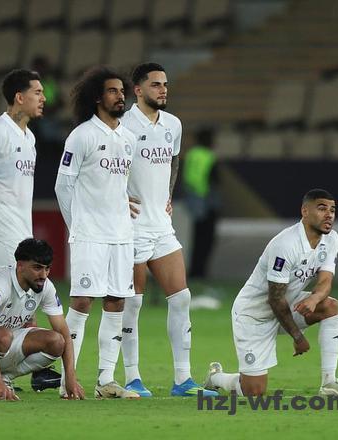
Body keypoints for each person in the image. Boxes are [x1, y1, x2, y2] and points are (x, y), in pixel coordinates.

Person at [121, 63, 217, 398]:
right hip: (131, 227)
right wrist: (117, 198)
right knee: (132, 303)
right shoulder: (123, 125)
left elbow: (174, 161)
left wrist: (168, 195)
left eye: (165, 84)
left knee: (181, 298)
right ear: (138, 90)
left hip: (161, 226)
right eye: (156, 85)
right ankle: (132, 377)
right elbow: (108, 168)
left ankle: (183, 380)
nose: (163, 90)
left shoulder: (173, 125)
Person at [204, 189, 338, 398]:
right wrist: (297, 336)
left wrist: (314, 298)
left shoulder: (331, 240)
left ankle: (329, 382)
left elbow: (325, 281)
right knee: (254, 392)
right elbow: (275, 299)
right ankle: (215, 377)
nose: (329, 214)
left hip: (288, 307)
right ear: (305, 211)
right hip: (254, 316)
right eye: (322, 208)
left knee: (330, 306)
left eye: (332, 210)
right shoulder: (285, 245)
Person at [0, 68, 60, 390]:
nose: (43, 98)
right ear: (19, 97)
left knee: (24, 301)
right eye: (37, 92)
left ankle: (18, 369)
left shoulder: (29, 137)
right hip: (1, 230)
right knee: (9, 304)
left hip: (21, 230)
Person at [54, 66, 139, 399]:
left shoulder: (128, 138)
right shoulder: (82, 136)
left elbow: (117, 184)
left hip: (122, 234)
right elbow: (63, 185)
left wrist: (122, 203)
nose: (120, 96)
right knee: (82, 301)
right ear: (97, 97)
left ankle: (106, 379)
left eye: (122, 91)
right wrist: (76, 224)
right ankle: (68, 379)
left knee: (117, 301)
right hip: (90, 234)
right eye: (113, 91)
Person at [0, 239, 85, 401]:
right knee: (2, 336)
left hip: (2, 344)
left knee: (57, 341)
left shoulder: (45, 286)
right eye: (37, 268)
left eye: (47, 268)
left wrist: (69, 378)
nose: (43, 275)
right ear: (20, 266)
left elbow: (64, 332)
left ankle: (6, 377)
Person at [182, 128, 220, 279]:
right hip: (207, 201)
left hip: (193, 199)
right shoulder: (209, 156)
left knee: (197, 237)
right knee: (207, 239)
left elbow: (187, 176)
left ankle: (194, 270)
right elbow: (214, 180)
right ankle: (201, 271)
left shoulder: (191, 154)